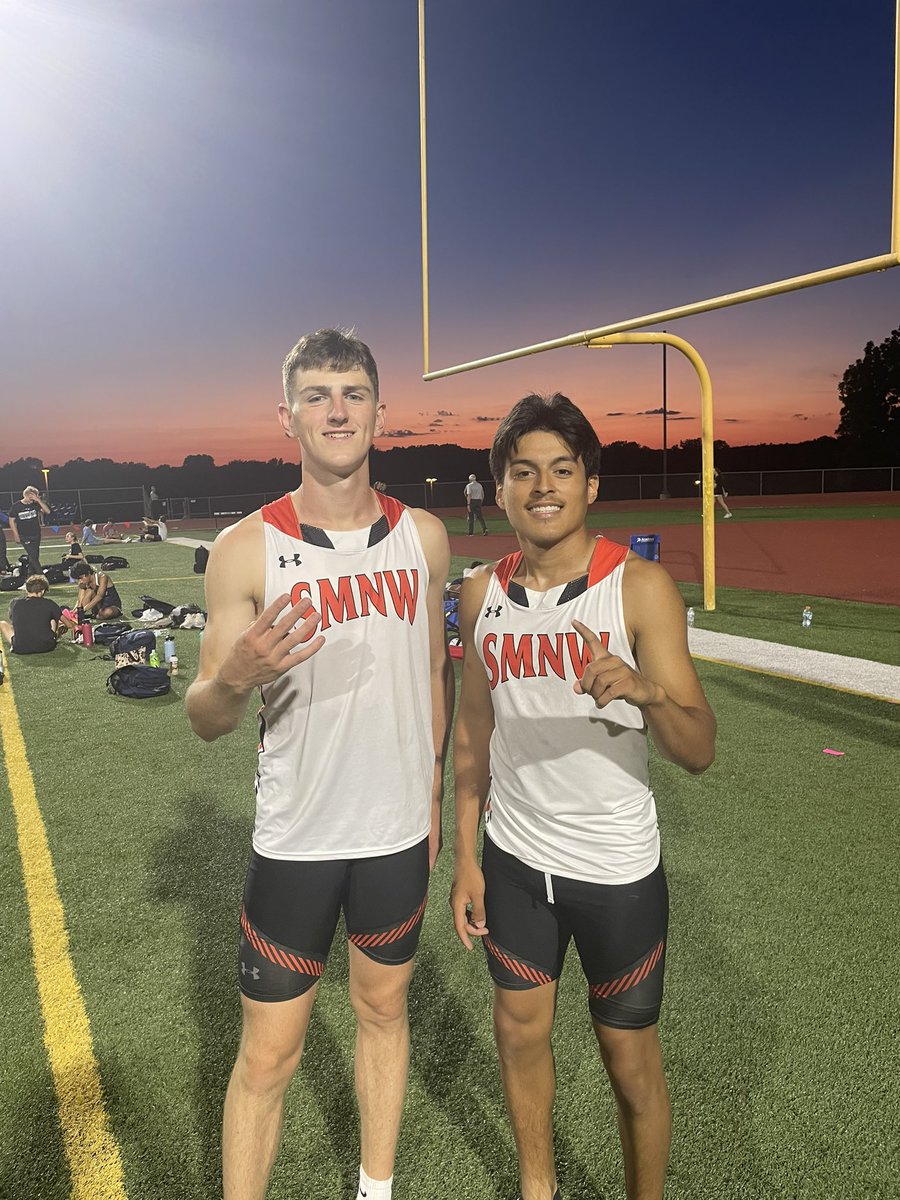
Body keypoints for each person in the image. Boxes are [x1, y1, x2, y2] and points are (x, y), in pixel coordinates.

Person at [185, 328, 454, 1200]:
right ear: (288, 416)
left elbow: (433, 672)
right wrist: (236, 675)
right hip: (298, 838)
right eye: (317, 395)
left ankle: (376, 1189)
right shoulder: (245, 548)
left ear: (381, 412)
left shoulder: (425, 537)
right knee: (268, 1056)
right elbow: (204, 716)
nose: (337, 410)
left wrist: (434, 796)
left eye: (353, 393)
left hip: (392, 835)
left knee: (383, 1011)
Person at [451, 393, 716, 1200]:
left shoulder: (638, 588)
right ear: (499, 488)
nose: (542, 487)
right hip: (517, 861)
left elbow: (699, 749)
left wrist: (648, 694)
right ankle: (541, 1189)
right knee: (518, 1035)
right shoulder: (478, 595)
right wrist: (465, 857)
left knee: (630, 1061)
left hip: (616, 868)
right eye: (522, 471)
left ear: (590, 484)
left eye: (561, 470)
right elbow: (471, 738)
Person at [0, 574, 77, 654]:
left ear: (27, 590)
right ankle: (54, 636)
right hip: (46, 646)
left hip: (20, 648)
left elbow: (16, 623)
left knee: (2, 623)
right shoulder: (49, 604)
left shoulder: (16, 604)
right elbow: (70, 625)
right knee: (53, 617)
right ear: (43, 590)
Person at [9, 485, 49, 574]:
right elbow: (11, 521)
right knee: (33, 557)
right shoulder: (16, 506)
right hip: (24, 535)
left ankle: (30, 578)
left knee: (34, 557)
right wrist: (16, 535)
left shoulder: (35, 504)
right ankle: (41, 576)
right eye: (33, 496)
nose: (34, 498)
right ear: (28, 495)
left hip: (36, 534)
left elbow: (48, 511)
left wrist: (38, 500)